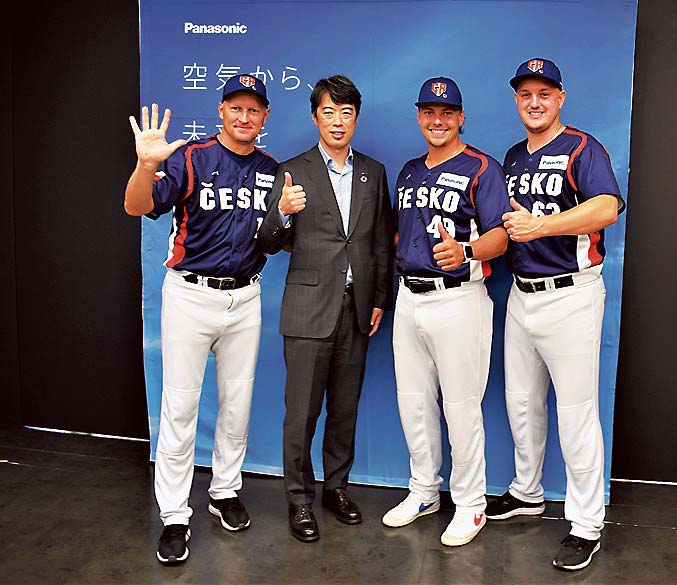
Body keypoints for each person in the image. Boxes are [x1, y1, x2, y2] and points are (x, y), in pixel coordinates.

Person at [124, 74, 276, 564]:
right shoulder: (191, 157)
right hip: (190, 296)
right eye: (236, 107)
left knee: (237, 404)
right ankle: (173, 515)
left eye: (253, 109)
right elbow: (136, 205)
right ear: (221, 111)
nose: (244, 117)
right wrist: (146, 166)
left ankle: (224, 491)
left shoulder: (272, 170)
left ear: (265, 117)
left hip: (245, 299)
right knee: (181, 407)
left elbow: (278, 235)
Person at [484, 58, 625, 571]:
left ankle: (586, 523)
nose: (535, 102)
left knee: (576, 412)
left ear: (560, 98)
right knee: (521, 403)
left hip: (572, 293)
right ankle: (526, 492)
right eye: (526, 94)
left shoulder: (583, 148)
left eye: (544, 93)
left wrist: (542, 227)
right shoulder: (513, 156)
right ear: (517, 101)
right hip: (523, 295)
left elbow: (607, 206)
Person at [258, 75, 393, 543]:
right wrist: (282, 212)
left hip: (357, 311)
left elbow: (378, 242)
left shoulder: (373, 172)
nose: (338, 121)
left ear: (356, 117)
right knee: (301, 413)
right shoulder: (292, 171)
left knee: (344, 410)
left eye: (347, 112)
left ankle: (336, 488)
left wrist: (379, 299)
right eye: (329, 112)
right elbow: (268, 242)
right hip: (307, 310)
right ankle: (299, 499)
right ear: (315, 117)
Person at [381, 77, 510, 546]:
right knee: (413, 402)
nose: (438, 121)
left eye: (447, 113)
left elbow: (502, 234)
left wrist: (470, 251)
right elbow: (400, 233)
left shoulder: (482, 168)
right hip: (409, 296)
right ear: (419, 116)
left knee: (460, 407)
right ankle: (424, 491)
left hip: (459, 298)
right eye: (429, 112)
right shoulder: (410, 170)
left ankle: (471, 503)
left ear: (460, 118)